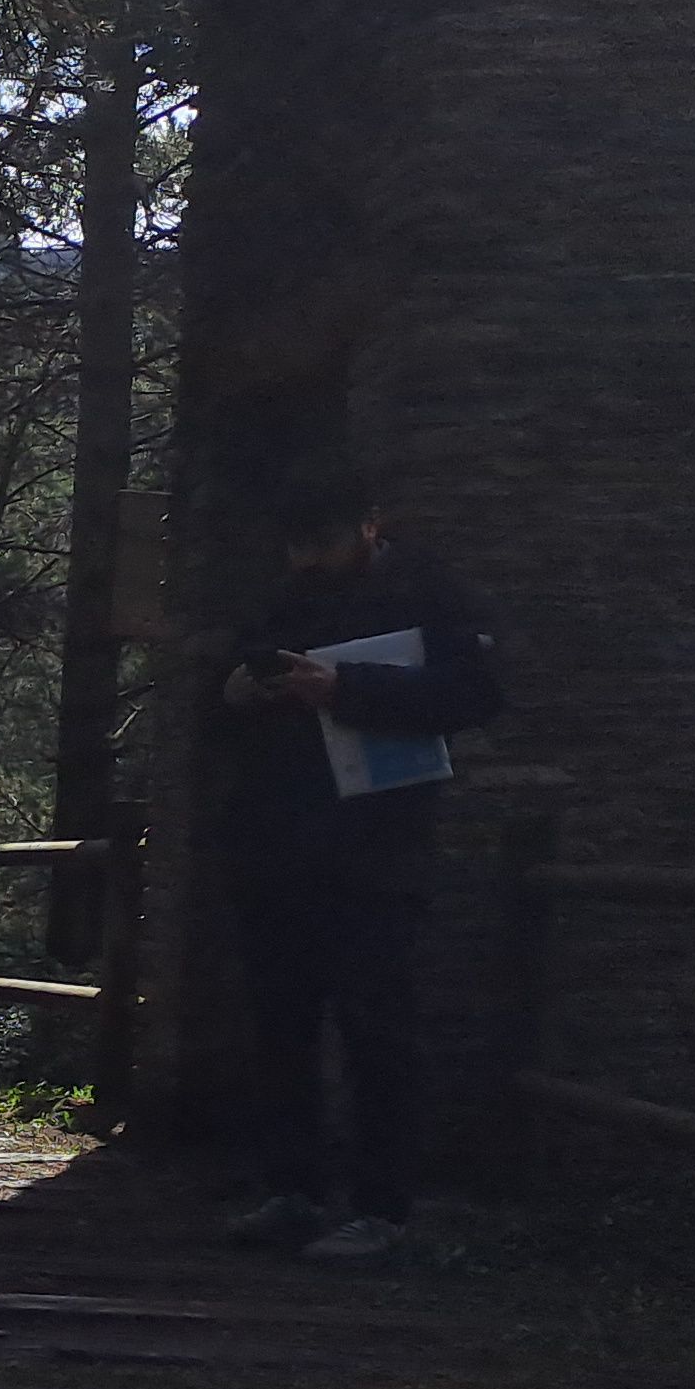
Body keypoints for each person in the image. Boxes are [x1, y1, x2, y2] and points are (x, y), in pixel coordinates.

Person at [213, 473, 506, 1267]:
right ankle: (293, 1191)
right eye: (296, 545)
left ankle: (382, 1208)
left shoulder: (430, 593)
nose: (307, 559)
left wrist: (347, 689)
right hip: (278, 840)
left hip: (377, 845)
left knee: (378, 1028)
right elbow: (231, 675)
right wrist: (240, 689)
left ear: (369, 527)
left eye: (321, 542)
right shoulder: (288, 596)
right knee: (283, 1025)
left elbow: (474, 691)